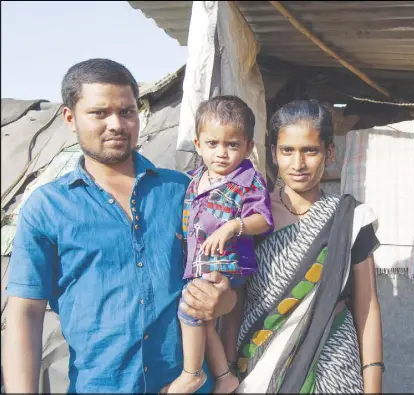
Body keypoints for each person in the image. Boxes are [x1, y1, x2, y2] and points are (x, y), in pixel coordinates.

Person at [2, 58, 237, 394]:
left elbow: (227, 282)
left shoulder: (181, 191)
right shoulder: (47, 208)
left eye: (127, 112)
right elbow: (25, 313)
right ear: (70, 118)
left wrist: (222, 298)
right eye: (100, 113)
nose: (116, 124)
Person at [224, 100, 384, 393]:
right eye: (287, 151)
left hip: (333, 364)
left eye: (310, 151)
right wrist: (227, 369)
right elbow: (236, 300)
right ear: (273, 153)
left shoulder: (350, 219)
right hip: (258, 363)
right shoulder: (250, 220)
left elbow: (367, 306)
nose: (298, 164)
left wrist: (373, 386)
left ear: (329, 153)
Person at [166, 96, 273, 394]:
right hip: (201, 263)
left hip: (227, 262)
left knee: (190, 309)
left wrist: (233, 226)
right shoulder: (195, 178)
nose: (222, 154)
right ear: (198, 144)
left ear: (249, 146)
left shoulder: (249, 180)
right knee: (203, 318)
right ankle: (224, 377)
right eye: (213, 144)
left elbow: (263, 219)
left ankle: (192, 373)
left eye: (232, 145)